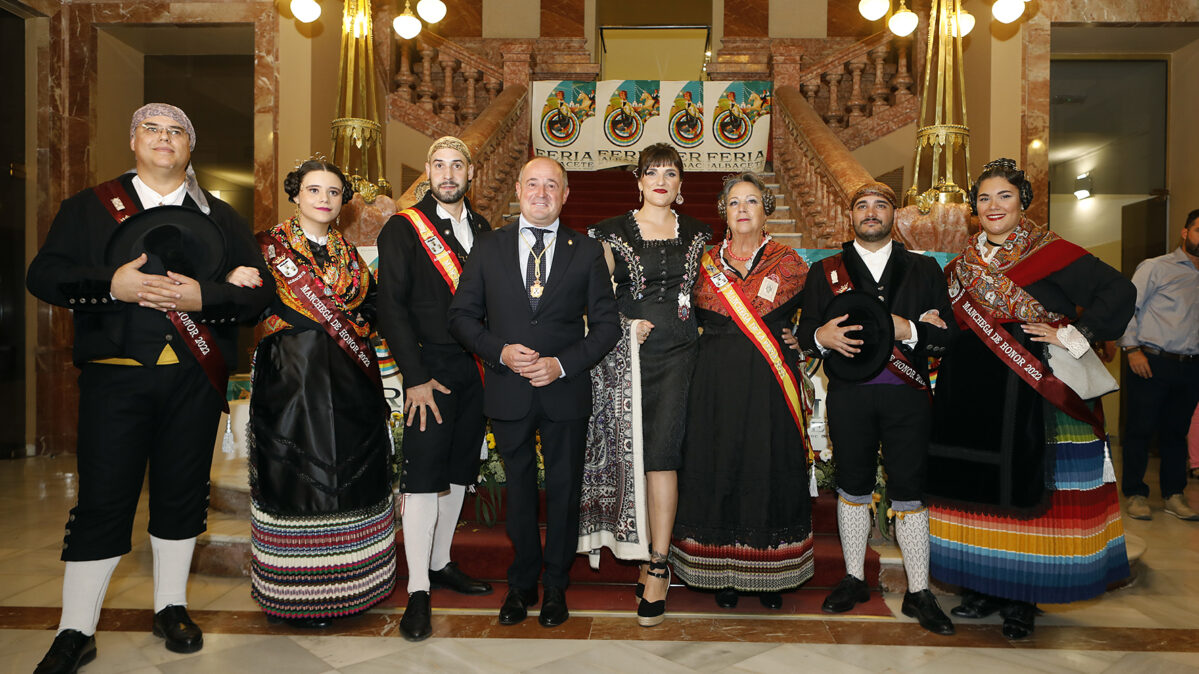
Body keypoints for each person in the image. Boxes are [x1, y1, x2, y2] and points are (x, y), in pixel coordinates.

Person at [26, 103, 274, 673]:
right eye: (152, 130)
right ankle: (74, 630)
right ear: (133, 141)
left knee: (182, 494)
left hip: (194, 380)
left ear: (191, 148)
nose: (165, 139)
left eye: (177, 132)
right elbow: (42, 275)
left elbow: (259, 295)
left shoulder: (222, 216)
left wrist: (205, 298)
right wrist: (110, 284)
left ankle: (171, 607)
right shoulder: (89, 208)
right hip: (116, 376)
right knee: (103, 500)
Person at [924, 158, 1136, 639]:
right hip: (971, 394)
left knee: (1029, 491)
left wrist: (1075, 333)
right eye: (984, 198)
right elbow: (951, 320)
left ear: (1023, 202)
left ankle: (1022, 598)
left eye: (1004, 196)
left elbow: (1118, 290)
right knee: (978, 491)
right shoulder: (960, 266)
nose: (993, 206)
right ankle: (983, 588)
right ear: (973, 208)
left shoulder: (1052, 253)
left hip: (1034, 390)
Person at [448, 157, 620, 628]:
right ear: (518, 190)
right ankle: (522, 584)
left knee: (564, 491)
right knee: (519, 492)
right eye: (533, 184)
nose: (541, 193)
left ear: (565, 195)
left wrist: (562, 365)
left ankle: (557, 587)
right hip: (508, 390)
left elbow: (606, 327)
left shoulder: (586, 251)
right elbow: (462, 317)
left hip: (565, 392)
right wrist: (499, 353)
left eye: (552, 185)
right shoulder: (488, 247)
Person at [795, 181, 957, 636]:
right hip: (850, 397)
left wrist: (908, 329)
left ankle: (919, 591)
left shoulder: (924, 270)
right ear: (851, 217)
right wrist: (818, 337)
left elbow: (946, 338)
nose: (871, 212)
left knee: (910, 489)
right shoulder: (825, 270)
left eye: (880, 205)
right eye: (862, 206)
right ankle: (853, 579)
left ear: (894, 216)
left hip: (908, 397)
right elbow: (805, 331)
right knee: (852, 484)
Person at [245, 158, 397, 628]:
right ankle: (295, 595)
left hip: (350, 380)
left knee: (350, 474)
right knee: (295, 476)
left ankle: (357, 584)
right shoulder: (266, 248)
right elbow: (248, 305)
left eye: (333, 192)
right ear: (296, 194)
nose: (324, 200)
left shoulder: (349, 254)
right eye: (314, 190)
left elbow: (372, 303)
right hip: (289, 377)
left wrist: (357, 329)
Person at [670, 173, 813, 611]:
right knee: (718, 463)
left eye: (753, 200)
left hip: (770, 381)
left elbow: (821, 315)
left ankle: (771, 575)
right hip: (713, 381)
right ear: (724, 212)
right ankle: (722, 573)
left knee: (767, 462)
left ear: (766, 209)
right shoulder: (702, 263)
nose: (744, 209)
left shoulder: (791, 263)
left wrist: (803, 337)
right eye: (735, 202)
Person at [586, 143, 710, 627]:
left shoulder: (700, 234)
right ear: (638, 181)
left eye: (671, 172)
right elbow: (590, 299)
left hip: (682, 355)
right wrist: (622, 324)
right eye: (652, 172)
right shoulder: (611, 233)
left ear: (681, 185)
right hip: (628, 359)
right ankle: (641, 553)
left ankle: (659, 565)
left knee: (662, 455)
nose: (661, 179)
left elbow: (716, 295)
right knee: (630, 455)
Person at [376, 136, 494, 642]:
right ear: (427, 171)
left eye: (457, 166)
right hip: (430, 369)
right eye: (439, 165)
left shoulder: (486, 229)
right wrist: (415, 376)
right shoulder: (403, 229)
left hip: (477, 370)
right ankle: (418, 589)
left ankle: (442, 563)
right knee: (423, 476)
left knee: (461, 470)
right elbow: (391, 309)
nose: (448, 174)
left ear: (471, 172)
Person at [1119, 208, 1199, 520]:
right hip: (1151, 361)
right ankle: (1136, 494)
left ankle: (1174, 495)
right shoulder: (1156, 267)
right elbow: (1128, 307)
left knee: (1176, 433)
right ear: (1185, 232)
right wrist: (1132, 350)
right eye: (1198, 230)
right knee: (1140, 429)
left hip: (1191, 366)